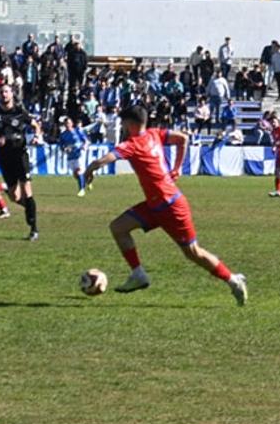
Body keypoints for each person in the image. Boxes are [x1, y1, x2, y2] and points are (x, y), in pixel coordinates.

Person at [83, 105, 247, 304]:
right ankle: (138, 274)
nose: (123, 128)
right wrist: (177, 168)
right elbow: (183, 139)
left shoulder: (132, 144)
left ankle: (233, 280)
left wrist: (90, 168)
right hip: (155, 205)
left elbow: (108, 158)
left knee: (193, 252)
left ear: (130, 124)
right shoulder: (154, 134)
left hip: (171, 206)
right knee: (118, 227)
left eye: (124, 124)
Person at [0, 83, 41, 240]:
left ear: (12, 94)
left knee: (27, 190)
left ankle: (33, 229)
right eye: (1, 92)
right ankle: (31, 209)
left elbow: (35, 125)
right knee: (14, 197)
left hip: (20, 155)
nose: (4, 94)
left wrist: (36, 136)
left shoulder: (20, 112)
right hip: (4, 157)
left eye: (7, 91)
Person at [58, 116, 90, 196]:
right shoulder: (63, 135)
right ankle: (86, 181)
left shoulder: (77, 131)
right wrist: (65, 149)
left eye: (68, 123)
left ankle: (81, 190)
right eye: (66, 124)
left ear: (72, 123)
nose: (67, 125)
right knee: (76, 174)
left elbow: (86, 140)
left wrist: (84, 146)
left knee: (79, 171)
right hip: (70, 156)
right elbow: (61, 146)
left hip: (79, 154)